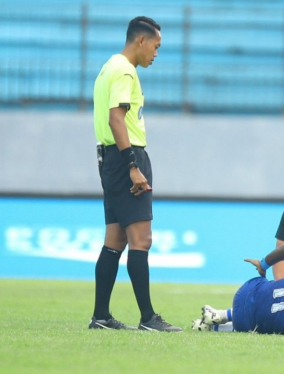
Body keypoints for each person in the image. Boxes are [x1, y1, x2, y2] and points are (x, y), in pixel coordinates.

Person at [89, 16, 181, 332]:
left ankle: (101, 316)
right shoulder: (125, 71)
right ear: (140, 41)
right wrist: (133, 165)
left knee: (114, 240)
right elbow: (117, 120)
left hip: (109, 159)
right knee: (142, 239)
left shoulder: (108, 67)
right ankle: (148, 319)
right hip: (125, 157)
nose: (156, 54)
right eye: (155, 47)